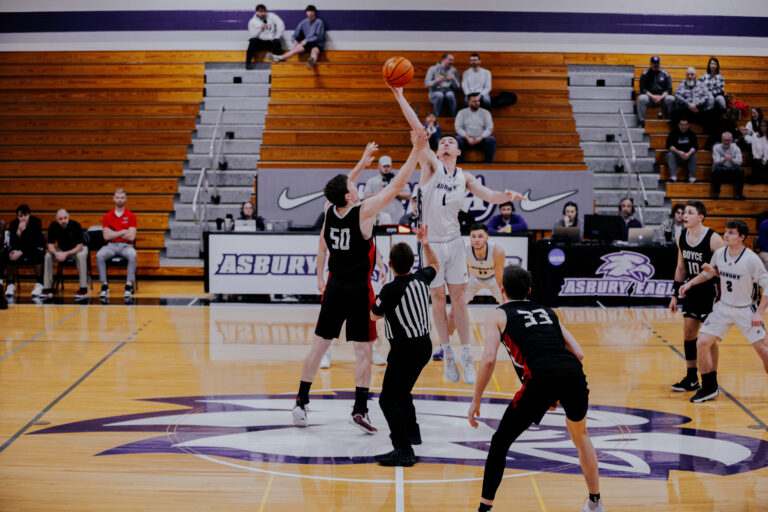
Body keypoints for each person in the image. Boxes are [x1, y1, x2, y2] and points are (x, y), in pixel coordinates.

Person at [291, 130, 426, 432]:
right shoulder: (364, 213)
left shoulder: (329, 210)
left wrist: (362, 163)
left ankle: (300, 402)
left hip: (333, 287)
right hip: (357, 291)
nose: (356, 185)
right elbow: (397, 185)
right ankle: (360, 409)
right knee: (363, 352)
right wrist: (416, 151)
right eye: (352, 186)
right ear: (348, 196)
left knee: (317, 348)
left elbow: (339, 192)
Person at [389, 84, 525, 386]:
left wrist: (508, 196)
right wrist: (399, 95)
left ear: (459, 151)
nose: (447, 143)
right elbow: (418, 129)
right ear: (438, 150)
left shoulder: (465, 176)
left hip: (453, 242)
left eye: (452, 141)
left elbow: (489, 195)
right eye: (443, 142)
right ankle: (447, 353)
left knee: (460, 301)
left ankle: (466, 355)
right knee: (438, 300)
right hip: (430, 244)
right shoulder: (430, 165)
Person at [468, 265, 605, 512]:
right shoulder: (547, 311)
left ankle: (484, 509)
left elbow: (488, 360)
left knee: (500, 441)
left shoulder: (498, 315)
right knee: (580, 434)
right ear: (529, 291)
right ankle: (595, 502)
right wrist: (557, 389)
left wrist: (476, 399)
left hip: (540, 378)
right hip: (573, 373)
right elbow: (579, 352)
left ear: (502, 290)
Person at [369, 224, 438, 466]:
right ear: (412, 263)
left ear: (389, 264)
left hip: (404, 351)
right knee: (402, 392)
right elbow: (435, 264)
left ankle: (403, 450)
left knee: (388, 400)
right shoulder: (421, 278)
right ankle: (412, 434)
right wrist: (425, 244)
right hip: (424, 346)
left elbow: (374, 315)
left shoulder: (390, 290)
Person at [680, 220, 768, 403]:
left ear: (741, 237)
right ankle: (709, 388)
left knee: (765, 352)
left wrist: (759, 312)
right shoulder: (720, 253)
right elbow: (711, 273)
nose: (726, 235)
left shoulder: (751, 259)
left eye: (731, 233)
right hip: (724, 307)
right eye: (726, 231)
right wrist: (690, 283)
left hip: (746, 309)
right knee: (701, 343)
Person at [668, 201, 724, 393]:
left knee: (708, 338)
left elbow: (726, 269)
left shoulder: (714, 239)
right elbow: (681, 267)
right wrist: (674, 295)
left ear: (700, 217)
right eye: (684, 212)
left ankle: (711, 381)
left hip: (712, 291)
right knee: (689, 333)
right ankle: (691, 378)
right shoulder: (681, 237)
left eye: (690, 213)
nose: (685, 215)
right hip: (691, 290)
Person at [439, 223, 505, 351]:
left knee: (507, 305)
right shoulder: (465, 251)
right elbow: (465, 275)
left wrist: (503, 298)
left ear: (487, 238)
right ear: (469, 238)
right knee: (455, 306)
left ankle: (511, 336)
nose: (476, 239)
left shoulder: (497, 251)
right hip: (473, 279)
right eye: (473, 236)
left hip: (493, 279)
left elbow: (499, 276)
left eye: (480, 236)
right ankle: (445, 343)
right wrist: (460, 299)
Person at [96, 188, 137, 300]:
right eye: (117, 197)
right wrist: (123, 231)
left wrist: (113, 233)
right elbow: (106, 237)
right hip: (111, 246)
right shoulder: (107, 216)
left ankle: (128, 286)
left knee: (133, 255)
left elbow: (132, 237)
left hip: (126, 246)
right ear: (113, 199)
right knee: (99, 255)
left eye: (122, 198)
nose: (120, 200)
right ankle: (104, 286)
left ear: (126, 199)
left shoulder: (131, 216)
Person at [40, 209, 89, 301]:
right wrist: (57, 253)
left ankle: (83, 289)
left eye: (65, 218)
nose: (63, 221)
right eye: (60, 219)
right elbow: (50, 246)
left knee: (81, 256)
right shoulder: (53, 226)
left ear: (68, 217)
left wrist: (65, 254)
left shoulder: (75, 225)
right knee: (48, 256)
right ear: (56, 220)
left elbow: (80, 246)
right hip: (61, 249)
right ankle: (47, 288)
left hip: (77, 249)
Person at [4, 204, 45, 299]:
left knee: (38, 255)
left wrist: (21, 251)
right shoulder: (14, 224)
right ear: (17, 216)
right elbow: (12, 243)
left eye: (25, 215)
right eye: (20, 216)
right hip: (19, 249)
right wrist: (18, 232)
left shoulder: (36, 222)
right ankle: (10, 284)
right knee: (9, 254)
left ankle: (39, 283)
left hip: (33, 249)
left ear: (29, 215)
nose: (22, 218)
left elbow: (35, 242)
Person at [267, 5, 324, 69]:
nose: (310, 13)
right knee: (295, 49)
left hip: (317, 44)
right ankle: (278, 58)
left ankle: (311, 62)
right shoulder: (303, 22)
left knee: (314, 51)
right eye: (308, 11)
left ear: (314, 12)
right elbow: (294, 35)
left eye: (311, 11)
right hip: (307, 44)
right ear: (306, 12)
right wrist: (294, 41)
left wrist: (307, 40)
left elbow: (319, 37)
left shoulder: (319, 22)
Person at [364, 155, 411, 225]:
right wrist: (381, 193)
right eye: (384, 166)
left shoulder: (398, 180)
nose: (386, 168)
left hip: (397, 217)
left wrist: (393, 191)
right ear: (379, 166)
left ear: (391, 166)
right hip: (379, 218)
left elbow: (408, 195)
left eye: (388, 166)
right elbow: (366, 198)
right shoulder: (372, 181)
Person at [455, 92, 496, 163]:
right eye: (474, 101)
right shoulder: (461, 113)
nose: (477, 103)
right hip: (466, 140)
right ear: (468, 102)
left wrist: (481, 137)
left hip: (481, 139)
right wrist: (467, 138)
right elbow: (458, 128)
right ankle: (461, 164)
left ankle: (488, 164)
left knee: (491, 140)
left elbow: (489, 128)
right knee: (457, 139)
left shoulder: (485, 113)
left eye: (478, 101)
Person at [636, 56, 674, 127]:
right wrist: (653, 97)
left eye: (657, 63)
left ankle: (671, 122)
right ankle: (641, 122)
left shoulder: (665, 74)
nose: (655, 65)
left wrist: (661, 97)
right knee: (641, 98)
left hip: (662, 99)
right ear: (650, 64)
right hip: (650, 98)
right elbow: (642, 89)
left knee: (671, 99)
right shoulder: (645, 74)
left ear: (659, 64)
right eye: (654, 63)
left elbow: (669, 89)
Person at [245, 4, 284, 69]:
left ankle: (278, 63)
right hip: (259, 41)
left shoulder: (271, 16)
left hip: (270, 40)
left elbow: (280, 24)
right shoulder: (252, 21)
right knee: (252, 41)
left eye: (264, 11)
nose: (263, 13)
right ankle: (248, 64)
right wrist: (260, 29)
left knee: (277, 41)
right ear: (256, 12)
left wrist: (277, 36)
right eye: (261, 12)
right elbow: (252, 35)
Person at [425, 53, 460, 118]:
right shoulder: (433, 69)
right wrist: (436, 81)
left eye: (453, 60)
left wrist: (453, 79)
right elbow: (427, 84)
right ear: (444, 59)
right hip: (435, 91)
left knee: (450, 95)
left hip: (448, 91)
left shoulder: (454, 71)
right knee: (439, 95)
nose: (452, 62)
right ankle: (436, 117)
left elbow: (457, 87)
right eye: (450, 60)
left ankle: (454, 117)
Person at [711, 132, 745, 200]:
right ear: (722, 140)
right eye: (724, 140)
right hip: (721, 171)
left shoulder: (736, 148)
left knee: (741, 170)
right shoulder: (716, 147)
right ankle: (716, 193)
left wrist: (732, 160)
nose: (726, 142)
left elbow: (740, 162)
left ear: (731, 140)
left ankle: (739, 194)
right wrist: (724, 159)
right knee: (718, 170)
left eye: (728, 140)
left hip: (732, 171)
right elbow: (716, 162)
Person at [665, 118, 699, 182]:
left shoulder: (692, 134)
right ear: (679, 125)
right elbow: (668, 146)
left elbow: (695, 147)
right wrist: (679, 152)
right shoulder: (673, 133)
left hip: (687, 156)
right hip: (676, 156)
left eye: (685, 125)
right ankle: (673, 176)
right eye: (682, 125)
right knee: (670, 154)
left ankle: (691, 177)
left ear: (688, 125)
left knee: (694, 155)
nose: (683, 127)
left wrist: (688, 154)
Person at [745, 119, 768, 185]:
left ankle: (760, 178)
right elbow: (754, 152)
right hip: (757, 159)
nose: (762, 127)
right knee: (758, 162)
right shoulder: (755, 136)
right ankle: (765, 179)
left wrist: (765, 160)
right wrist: (762, 160)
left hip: (767, 160)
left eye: (764, 126)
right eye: (761, 126)